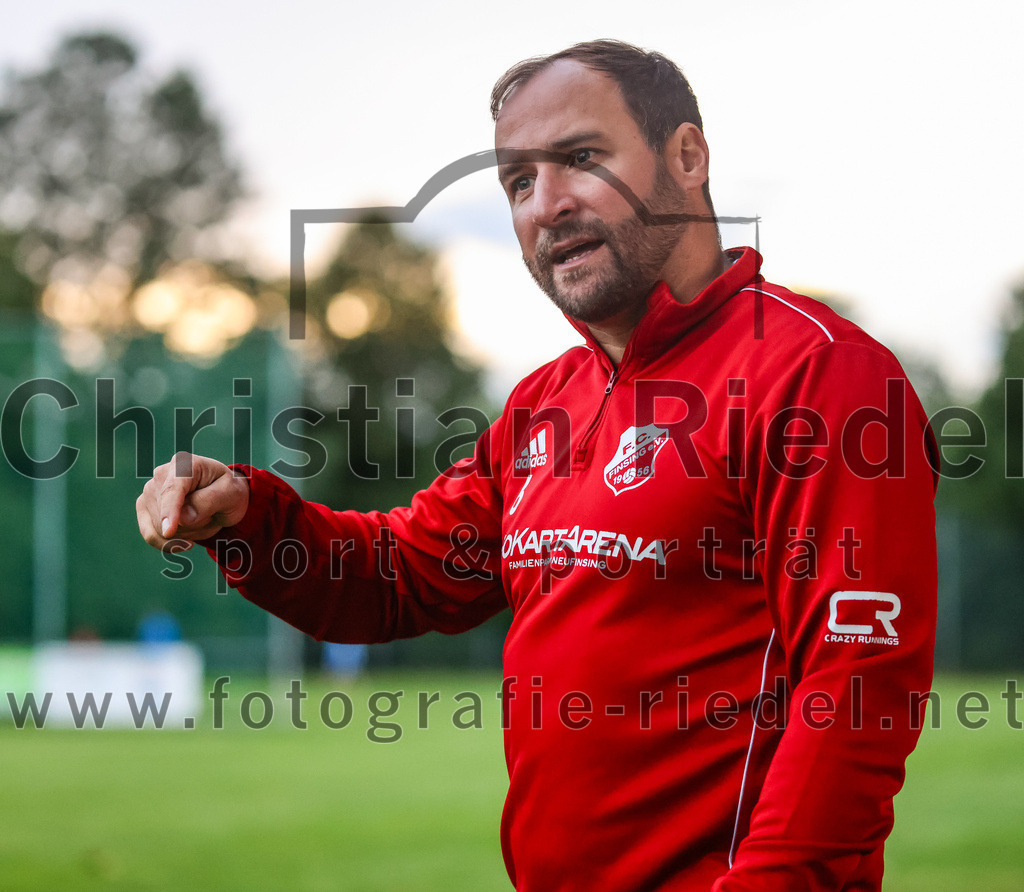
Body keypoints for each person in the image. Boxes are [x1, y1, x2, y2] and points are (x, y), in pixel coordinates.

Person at [136, 40, 938, 891]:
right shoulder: (541, 408)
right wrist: (252, 518)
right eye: (518, 184)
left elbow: (858, 685)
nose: (545, 205)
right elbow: (399, 575)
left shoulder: (820, 373)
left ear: (687, 156)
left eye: (581, 159)